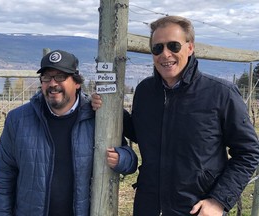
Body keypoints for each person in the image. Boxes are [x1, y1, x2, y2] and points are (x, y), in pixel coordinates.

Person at [92, 16, 259, 216]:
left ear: (190, 48)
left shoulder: (221, 93)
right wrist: (108, 108)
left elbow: (249, 152)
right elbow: (141, 132)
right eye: (158, 48)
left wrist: (218, 201)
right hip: (149, 207)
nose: (165, 54)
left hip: (196, 209)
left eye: (173, 46)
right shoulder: (145, 91)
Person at [0, 49, 138, 216]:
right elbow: (3, 174)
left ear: (77, 82)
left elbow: (131, 162)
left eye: (60, 77)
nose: (53, 83)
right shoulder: (17, 120)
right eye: (47, 77)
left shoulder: (97, 118)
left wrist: (120, 158)